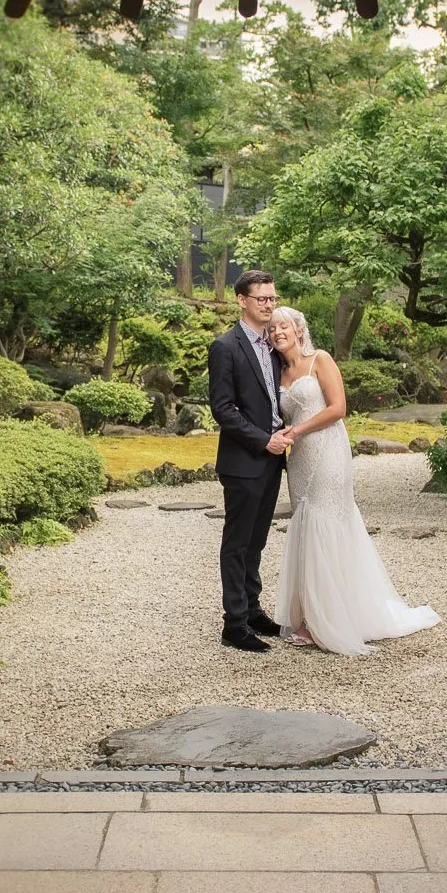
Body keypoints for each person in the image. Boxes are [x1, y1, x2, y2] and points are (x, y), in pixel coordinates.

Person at [266, 306, 439, 655]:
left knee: (326, 521)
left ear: (299, 329)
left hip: (328, 449)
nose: (277, 332)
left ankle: (330, 619)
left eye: (283, 326)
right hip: (298, 458)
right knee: (305, 526)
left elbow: (337, 408)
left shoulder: (320, 360)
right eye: (271, 329)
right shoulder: (278, 370)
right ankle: (308, 616)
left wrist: (295, 430)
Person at [207, 271, 291, 653]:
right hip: (244, 460)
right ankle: (234, 624)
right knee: (237, 544)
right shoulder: (225, 346)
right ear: (242, 300)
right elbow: (223, 409)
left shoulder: (273, 346)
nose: (269, 305)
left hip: (274, 461)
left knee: (256, 541)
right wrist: (264, 441)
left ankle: (254, 610)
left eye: (273, 299)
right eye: (262, 299)